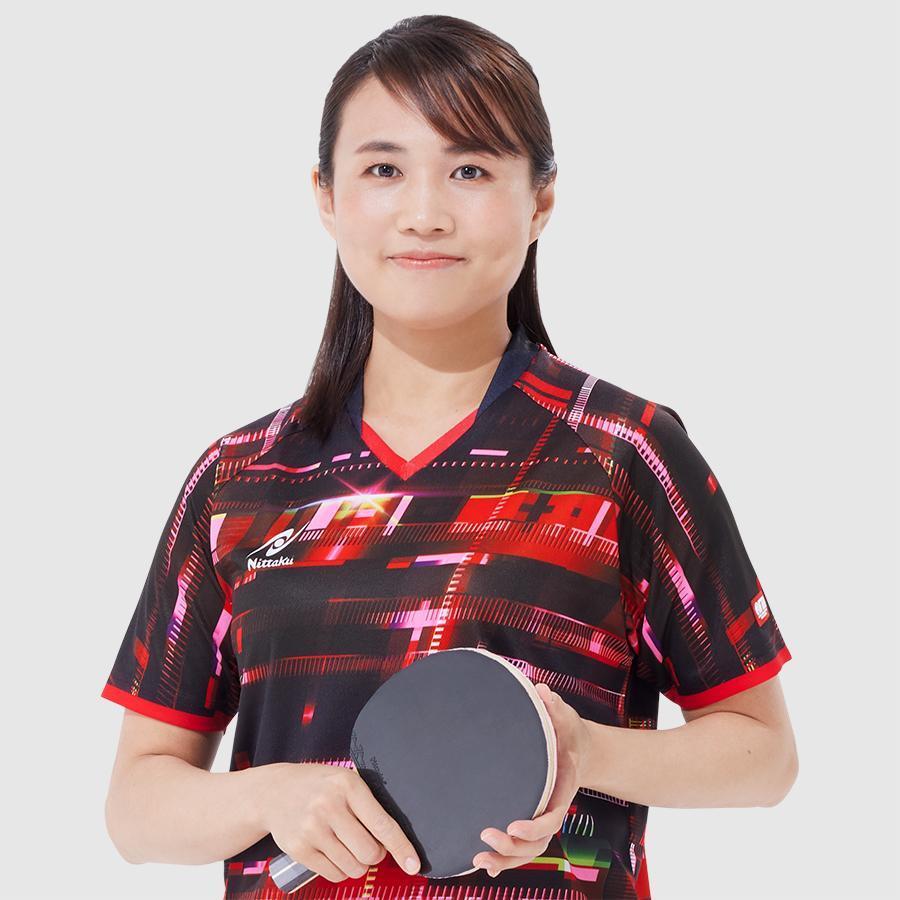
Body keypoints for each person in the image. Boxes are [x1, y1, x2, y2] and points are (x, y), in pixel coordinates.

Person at [100, 14, 797, 899]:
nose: (425, 214)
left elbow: (764, 754)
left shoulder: (624, 455)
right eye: (383, 170)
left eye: (470, 170)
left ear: (540, 200)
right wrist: (270, 795)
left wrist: (584, 752)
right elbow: (136, 807)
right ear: (326, 196)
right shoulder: (239, 479)